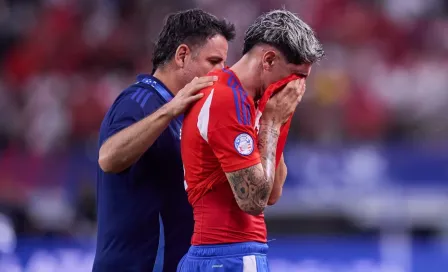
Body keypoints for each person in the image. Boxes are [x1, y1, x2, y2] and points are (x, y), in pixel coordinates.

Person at [179, 9, 324, 271]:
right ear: (268, 60)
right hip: (226, 255)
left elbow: (273, 192)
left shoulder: (253, 103)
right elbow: (253, 200)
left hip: (229, 253)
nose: (298, 89)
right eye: (296, 76)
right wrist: (271, 123)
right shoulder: (226, 99)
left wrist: (276, 120)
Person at [93, 9, 235, 272]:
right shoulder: (139, 101)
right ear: (182, 56)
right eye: (214, 61)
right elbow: (108, 157)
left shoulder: (185, 114)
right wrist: (170, 110)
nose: (221, 72)